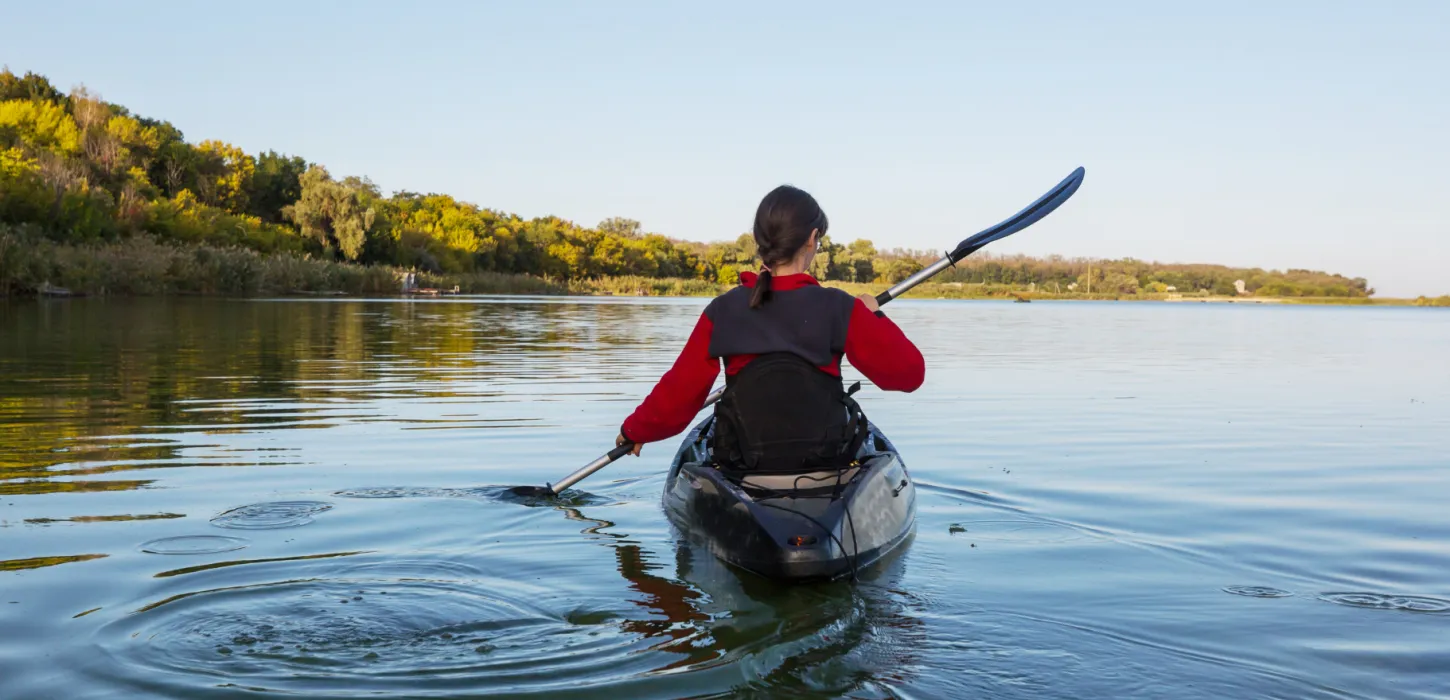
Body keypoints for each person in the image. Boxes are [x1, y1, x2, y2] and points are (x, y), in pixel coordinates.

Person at [615, 184, 924, 474]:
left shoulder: (722, 310)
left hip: (744, 463)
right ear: (812, 238)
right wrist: (875, 315)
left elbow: (680, 391)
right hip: (825, 461)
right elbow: (909, 375)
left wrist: (635, 430)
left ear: (759, 239)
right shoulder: (841, 307)